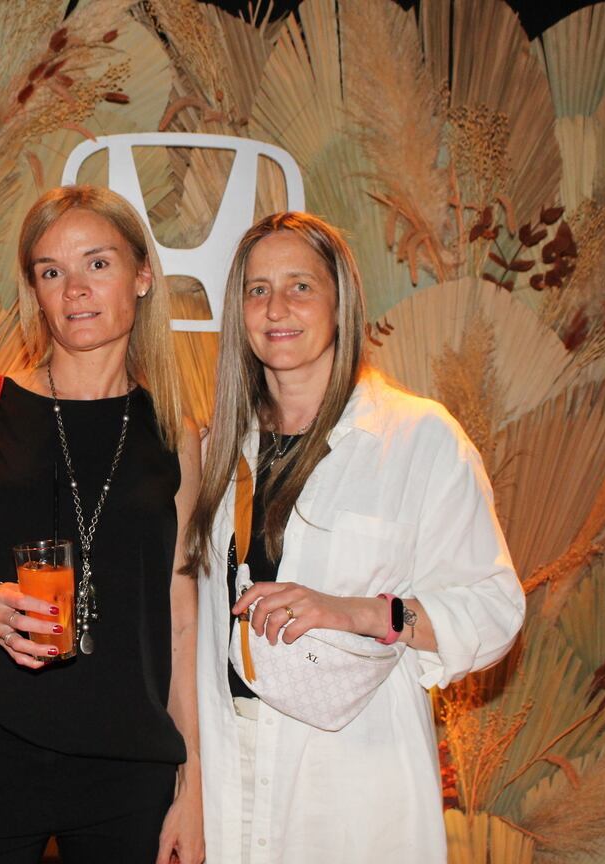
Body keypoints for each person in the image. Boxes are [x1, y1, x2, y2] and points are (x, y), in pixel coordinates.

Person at [186, 212, 525, 862]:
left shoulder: (417, 439)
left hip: (353, 780)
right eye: (257, 289)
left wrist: (360, 612)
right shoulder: (217, 453)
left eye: (300, 286)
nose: (276, 306)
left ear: (341, 303)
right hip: (230, 776)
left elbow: (495, 609)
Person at [0, 185, 204, 864]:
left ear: (143, 277)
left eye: (98, 264)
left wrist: (195, 782)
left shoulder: (176, 434)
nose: (75, 289)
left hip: (128, 763)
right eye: (52, 271)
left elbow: (181, 615)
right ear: (36, 291)